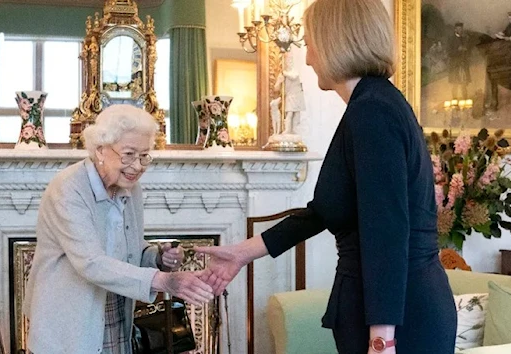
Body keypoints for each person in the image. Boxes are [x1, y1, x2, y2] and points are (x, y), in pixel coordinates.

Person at [196, 0, 457, 353]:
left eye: (311, 44)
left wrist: (382, 342)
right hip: (387, 308)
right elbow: (326, 210)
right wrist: (242, 252)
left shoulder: (373, 111)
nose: (308, 58)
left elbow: (387, 232)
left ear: (337, 41)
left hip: (400, 317)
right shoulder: (371, 105)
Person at [23, 104, 214, 354]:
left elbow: (128, 248)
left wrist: (157, 257)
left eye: (144, 156)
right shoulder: (68, 189)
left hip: (115, 307)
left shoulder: (130, 189)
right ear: (100, 149)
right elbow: (90, 261)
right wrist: (163, 281)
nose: (137, 166)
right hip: (70, 318)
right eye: (129, 154)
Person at [274, 52, 306, 135]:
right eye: (287, 60)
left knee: (297, 114)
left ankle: (294, 129)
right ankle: (288, 129)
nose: (289, 62)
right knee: (290, 113)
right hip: (290, 95)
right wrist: (279, 82)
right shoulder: (282, 74)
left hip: (297, 94)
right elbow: (276, 88)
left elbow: (294, 76)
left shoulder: (294, 72)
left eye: (291, 60)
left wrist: (285, 74)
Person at [447, 22, 471, 99]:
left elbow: (469, 51)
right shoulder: (451, 39)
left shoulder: (465, 38)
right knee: (455, 84)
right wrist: (458, 50)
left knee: (464, 84)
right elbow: (449, 52)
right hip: (454, 65)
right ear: (455, 29)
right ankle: (454, 100)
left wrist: (466, 50)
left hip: (463, 64)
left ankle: (465, 100)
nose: (460, 30)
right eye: (458, 29)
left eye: (461, 28)